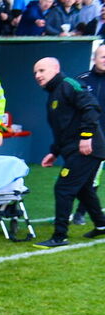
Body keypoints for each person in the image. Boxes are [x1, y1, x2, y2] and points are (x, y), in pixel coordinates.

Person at [32, 57, 105, 248]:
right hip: (76, 149)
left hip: (87, 149)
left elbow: (92, 107)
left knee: (64, 188)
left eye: (42, 70)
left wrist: (86, 136)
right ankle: (102, 225)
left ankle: (60, 236)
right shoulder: (53, 93)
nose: (38, 75)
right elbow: (63, 129)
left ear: (56, 69)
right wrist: (54, 152)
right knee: (83, 189)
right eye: (35, 73)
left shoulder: (69, 85)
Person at [72, 44, 105, 224]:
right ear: (94, 58)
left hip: (102, 141)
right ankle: (66, 212)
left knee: (92, 177)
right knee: (74, 177)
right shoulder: (81, 80)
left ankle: (80, 213)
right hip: (82, 137)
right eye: (103, 57)